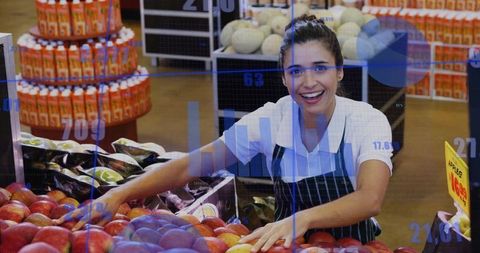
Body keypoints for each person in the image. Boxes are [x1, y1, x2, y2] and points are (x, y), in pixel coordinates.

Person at [56, 15, 392, 252]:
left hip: (357, 247)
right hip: (283, 247)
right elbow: (190, 166)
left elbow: (370, 198)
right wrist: (117, 195)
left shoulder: (365, 121)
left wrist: (300, 219)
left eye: (320, 68)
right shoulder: (271, 120)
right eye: (295, 71)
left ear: (339, 70)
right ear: (283, 78)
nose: (308, 82)